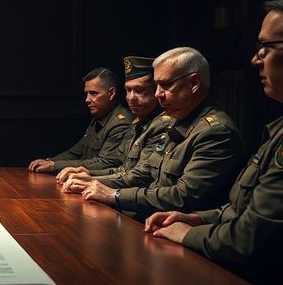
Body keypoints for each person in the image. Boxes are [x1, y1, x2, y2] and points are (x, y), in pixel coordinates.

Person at [145, 0, 283, 285]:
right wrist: (198, 219)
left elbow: (251, 239)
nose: (255, 60)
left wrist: (189, 234)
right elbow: (241, 208)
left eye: (266, 48)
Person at [81, 47, 245, 220]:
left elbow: (183, 196)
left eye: (166, 85)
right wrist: (91, 180)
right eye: (156, 85)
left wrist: (115, 195)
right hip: (149, 218)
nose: (158, 94)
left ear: (194, 83)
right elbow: (143, 173)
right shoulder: (175, 120)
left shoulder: (216, 132)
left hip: (175, 227)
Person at [58, 56, 171, 192]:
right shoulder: (137, 123)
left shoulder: (161, 125)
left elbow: (140, 176)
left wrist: (91, 179)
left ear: (157, 92)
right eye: (128, 90)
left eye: (139, 91)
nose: (131, 98)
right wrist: (88, 173)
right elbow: (123, 169)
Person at [28, 68, 132, 174]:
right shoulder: (99, 117)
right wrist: (50, 162)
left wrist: (54, 166)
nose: (87, 99)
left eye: (93, 93)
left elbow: (104, 163)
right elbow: (75, 152)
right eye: (87, 94)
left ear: (111, 93)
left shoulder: (120, 123)